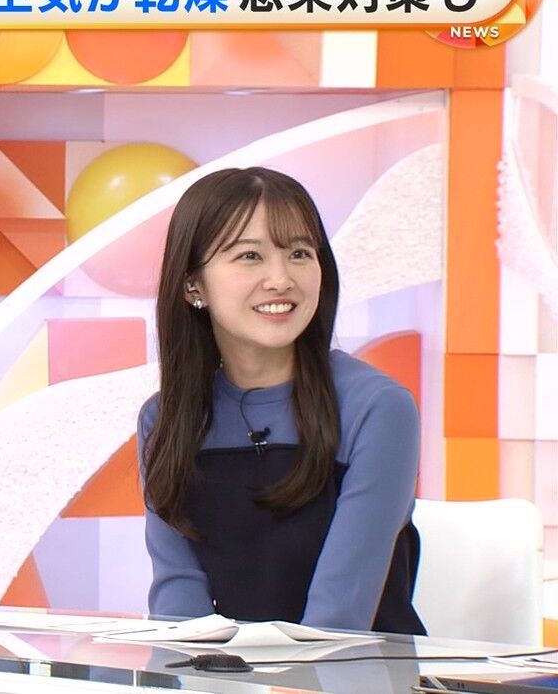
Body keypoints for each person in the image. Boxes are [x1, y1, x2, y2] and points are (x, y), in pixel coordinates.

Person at [138, 167, 424, 634]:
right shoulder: (165, 419)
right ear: (193, 286)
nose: (280, 279)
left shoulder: (378, 408)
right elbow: (179, 605)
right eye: (249, 256)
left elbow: (340, 614)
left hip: (354, 667)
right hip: (230, 672)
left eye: (299, 253)